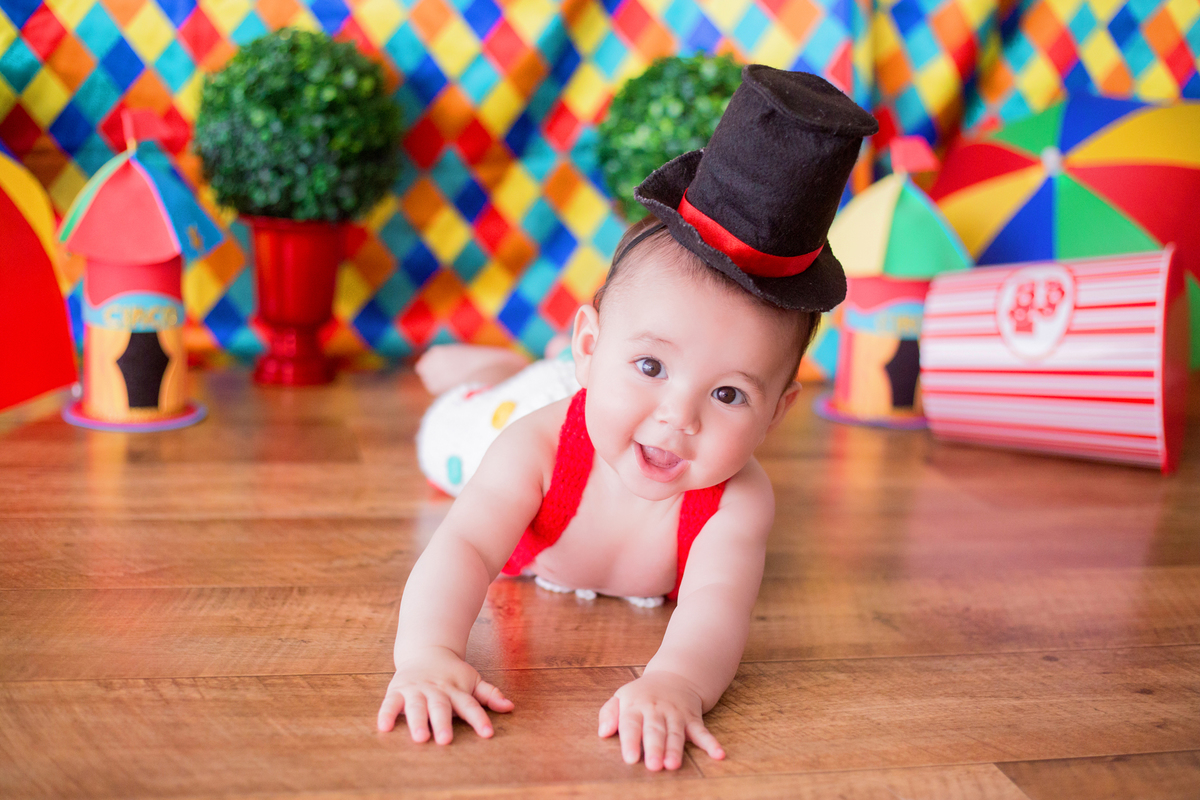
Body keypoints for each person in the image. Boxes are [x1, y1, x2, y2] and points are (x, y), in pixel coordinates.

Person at [377, 65, 878, 771]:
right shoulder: (536, 447)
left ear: (776, 413)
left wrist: (675, 682)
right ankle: (486, 370)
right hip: (539, 408)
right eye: (652, 365)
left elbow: (716, 606)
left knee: (623, 396)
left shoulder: (737, 500)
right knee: (449, 437)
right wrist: (427, 654)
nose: (679, 417)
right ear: (591, 345)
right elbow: (463, 546)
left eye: (728, 395)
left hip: (609, 399)